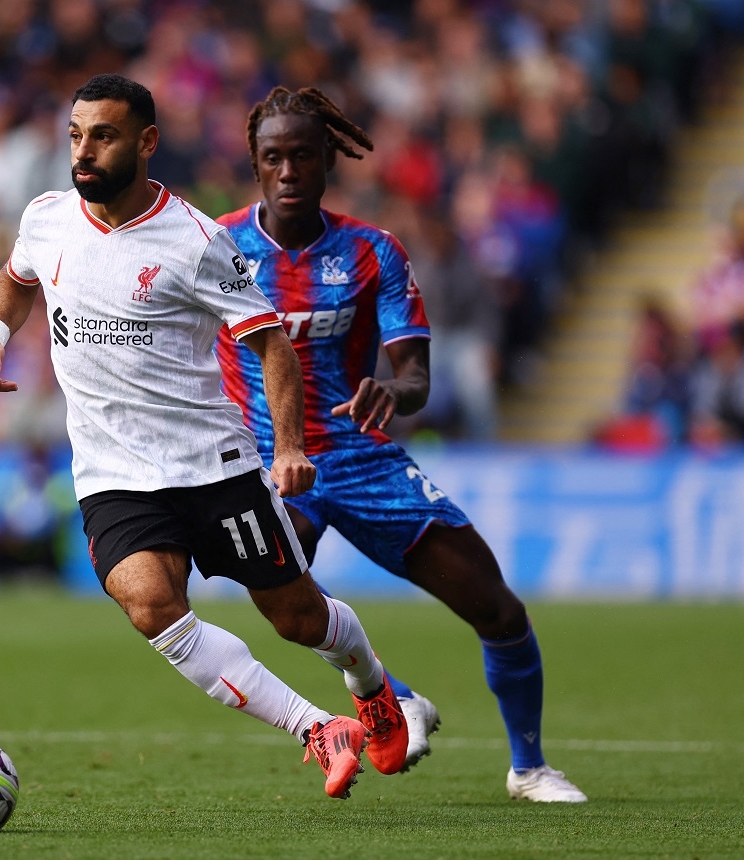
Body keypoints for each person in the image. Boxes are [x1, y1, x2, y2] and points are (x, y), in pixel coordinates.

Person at [0, 74, 409, 799]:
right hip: (112, 475)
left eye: (103, 136)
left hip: (213, 466)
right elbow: (16, 279)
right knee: (150, 606)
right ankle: (315, 728)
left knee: (298, 618)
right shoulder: (46, 218)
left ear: (145, 143)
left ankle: (369, 682)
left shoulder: (196, 241)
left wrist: (290, 447)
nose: (84, 151)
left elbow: (270, 345)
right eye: (76, 135)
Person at [215, 86, 588, 802]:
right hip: (269, 465)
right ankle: (390, 692)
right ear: (256, 166)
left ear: (329, 159)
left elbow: (415, 374)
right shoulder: (218, 249)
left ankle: (529, 768)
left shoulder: (371, 251)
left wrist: (396, 388)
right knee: (280, 595)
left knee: (498, 611)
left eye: (302, 155)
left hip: (362, 458)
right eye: (273, 158)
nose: (288, 170)